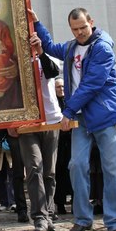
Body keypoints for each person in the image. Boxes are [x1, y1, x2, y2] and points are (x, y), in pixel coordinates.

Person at [28, 7, 116, 231]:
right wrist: (37, 24)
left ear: (91, 22)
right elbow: (51, 47)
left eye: (83, 27)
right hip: (82, 118)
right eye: (75, 29)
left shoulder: (103, 48)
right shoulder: (72, 47)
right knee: (76, 166)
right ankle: (83, 220)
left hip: (107, 115)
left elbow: (91, 84)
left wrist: (67, 111)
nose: (79, 33)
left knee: (113, 170)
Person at [17, 33, 63, 231]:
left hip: (51, 119)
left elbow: (53, 72)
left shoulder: (49, 57)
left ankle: (49, 213)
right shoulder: (16, 61)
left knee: (49, 171)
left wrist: (40, 52)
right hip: (27, 122)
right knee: (34, 167)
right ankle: (39, 217)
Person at [53, 77, 72, 215]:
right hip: (58, 143)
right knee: (59, 173)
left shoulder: (69, 102)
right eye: (58, 87)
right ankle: (60, 203)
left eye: (63, 86)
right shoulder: (53, 104)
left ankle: (75, 201)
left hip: (70, 141)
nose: (61, 89)